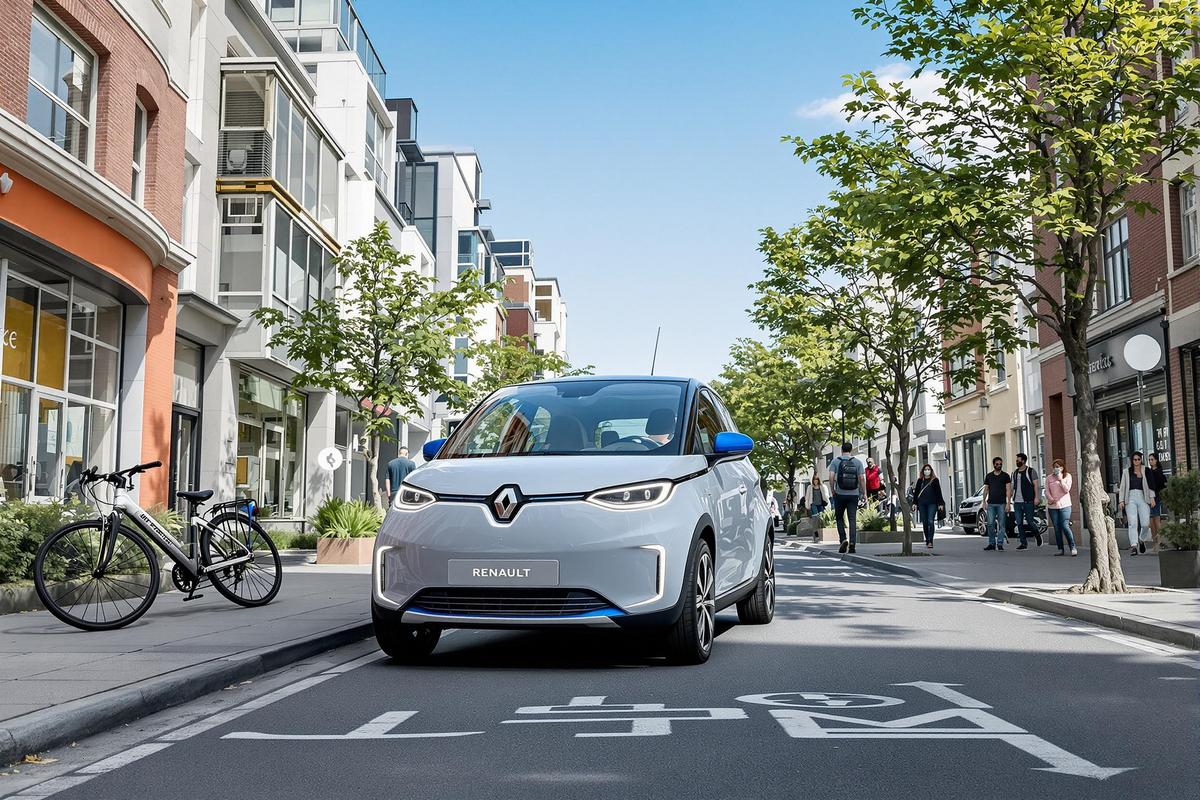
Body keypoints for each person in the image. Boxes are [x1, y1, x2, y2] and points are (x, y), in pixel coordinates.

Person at [828, 442, 866, 554]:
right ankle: (853, 543)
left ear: (841, 450)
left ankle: (843, 539)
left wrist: (833, 490)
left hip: (840, 494)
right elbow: (862, 479)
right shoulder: (857, 462)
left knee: (839, 518)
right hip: (853, 494)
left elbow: (831, 477)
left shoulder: (835, 461)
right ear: (851, 449)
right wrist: (864, 493)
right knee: (852, 519)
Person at [1118, 450, 1156, 556]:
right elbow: (1122, 487)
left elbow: (1151, 485)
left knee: (1145, 524)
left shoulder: (1146, 470)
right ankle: (1134, 546)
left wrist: (1152, 497)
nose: (1137, 461)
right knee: (1132, 523)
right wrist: (1121, 500)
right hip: (1130, 497)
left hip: (1143, 497)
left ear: (1141, 460)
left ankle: (1141, 539)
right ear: (1132, 460)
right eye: (1135, 459)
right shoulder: (1126, 472)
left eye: (1139, 459)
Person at [1045, 458, 1078, 556]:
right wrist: (1050, 499)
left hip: (1065, 505)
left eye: (1057, 467)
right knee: (1056, 527)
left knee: (1065, 526)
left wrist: (1060, 479)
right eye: (1054, 467)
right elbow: (1046, 490)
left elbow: (1066, 489)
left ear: (1062, 468)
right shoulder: (1049, 478)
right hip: (1053, 506)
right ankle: (1060, 548)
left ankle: (1072, 546)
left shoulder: (1067, 476)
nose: (1055, 469)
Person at [1010, 452, 1042, 549]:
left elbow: (1036, 485)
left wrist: (1036, 497)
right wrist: (1010, 497)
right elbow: (1012, 486)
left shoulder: (1031, 471)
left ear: (1023, 461)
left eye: (1018, 460)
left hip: (1028, 500)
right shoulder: (1014, 473)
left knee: (1030, 521)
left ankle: (1037, 534)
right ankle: (1023, 543)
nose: (1017, 462)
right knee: (1019, 522)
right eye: (1016, 461)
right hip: (1017, 501)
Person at [910, 464, 945, 549]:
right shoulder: (920, 481)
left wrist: (940, 503)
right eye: (925, 469)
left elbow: (938, 492)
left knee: (930, 521)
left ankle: (930, 541)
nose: (927, 471)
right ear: (923, 471)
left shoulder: (935, 480)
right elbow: (916, 493)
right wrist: (914, 503)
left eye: (928, 469)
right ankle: (927, 539)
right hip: (922, 504)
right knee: (925, 522)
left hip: (932, 503)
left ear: (931, 470)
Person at [981, 456, 1012, 551]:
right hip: (991, 503)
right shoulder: (989, 476)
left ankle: (1000, 543)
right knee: (990, 523)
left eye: (1001, 464)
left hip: (1002, 503)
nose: (999, 465)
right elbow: (986, 489)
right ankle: (991, 543)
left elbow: (1008, 489)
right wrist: (984, 502)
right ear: (994, 464)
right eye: (997, 464)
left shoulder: (1005, 476)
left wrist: (1008, 503)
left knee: (1002, 524)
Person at [1146, 452, 1167, 553]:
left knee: (1156, 519)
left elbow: (1162, 485)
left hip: (1156, 498)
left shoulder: (1159, 472)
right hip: (1149, 498)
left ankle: (1159, 542)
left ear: (1156, 460)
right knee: (1151, 522)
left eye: (1152, 459)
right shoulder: (1148, 472)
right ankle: (1155, 542)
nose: (1150, 461)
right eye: (1149, 460)